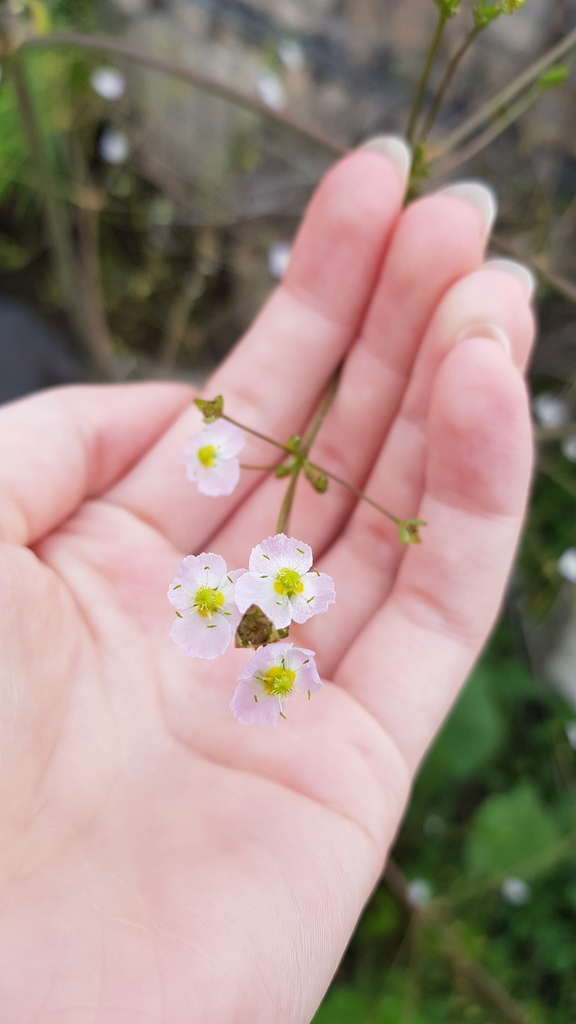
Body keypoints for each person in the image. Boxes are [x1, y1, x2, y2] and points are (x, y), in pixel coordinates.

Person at [0, 137, 534, 1022]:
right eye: (241, 613)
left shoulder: (262, 605)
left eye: (263, 631)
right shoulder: (236, 572)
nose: (243, 619)